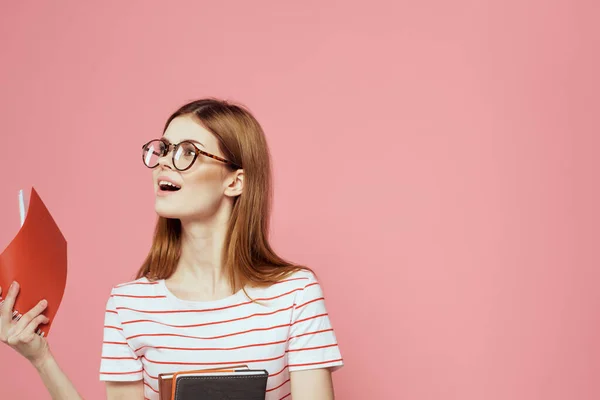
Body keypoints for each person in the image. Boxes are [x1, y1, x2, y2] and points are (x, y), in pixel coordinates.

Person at [0, 98, 343, 399]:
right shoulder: (129, 306)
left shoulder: (295, 294)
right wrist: (41, 358)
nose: (164, 162)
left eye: (188, 153)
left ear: (235, 181)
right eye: (164, 149)